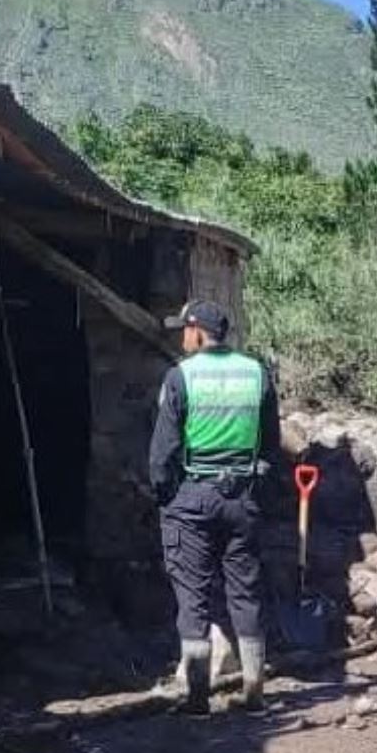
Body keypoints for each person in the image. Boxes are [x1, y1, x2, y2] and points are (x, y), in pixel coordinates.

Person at [148, 300, 281, 716]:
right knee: (245, 592)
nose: (181, 337)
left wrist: (164, 493)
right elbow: (271, 441)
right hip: (242, 496)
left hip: (193, 497)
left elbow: (163, 450)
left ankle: (198, 696)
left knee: (193, 596)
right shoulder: (257, 372)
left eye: (184, 330)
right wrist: (256, 483)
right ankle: (254, 688)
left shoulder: (180, 376)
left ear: (199, 332)